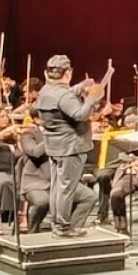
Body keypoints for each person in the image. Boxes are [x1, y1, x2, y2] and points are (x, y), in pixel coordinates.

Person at [35, 54, 105, 238]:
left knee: (58, 187)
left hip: (55, 146)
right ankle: (64, 227)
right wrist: (92, 97)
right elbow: (79, 114)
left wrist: (80, 87)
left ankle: (57, 223)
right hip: (70, 147)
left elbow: (62, 97)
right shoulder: (64, 95)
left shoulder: (46, 90)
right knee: (66, 188)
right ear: (68, 72)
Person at [19, 110, 96, 234]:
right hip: (37, 182)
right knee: (42, 202)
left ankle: (71, 229)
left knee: (89, 196)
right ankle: (31, 234)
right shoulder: (28, 134)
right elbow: (34, 152)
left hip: (62, 181)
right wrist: (53, 137)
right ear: (37, 120)